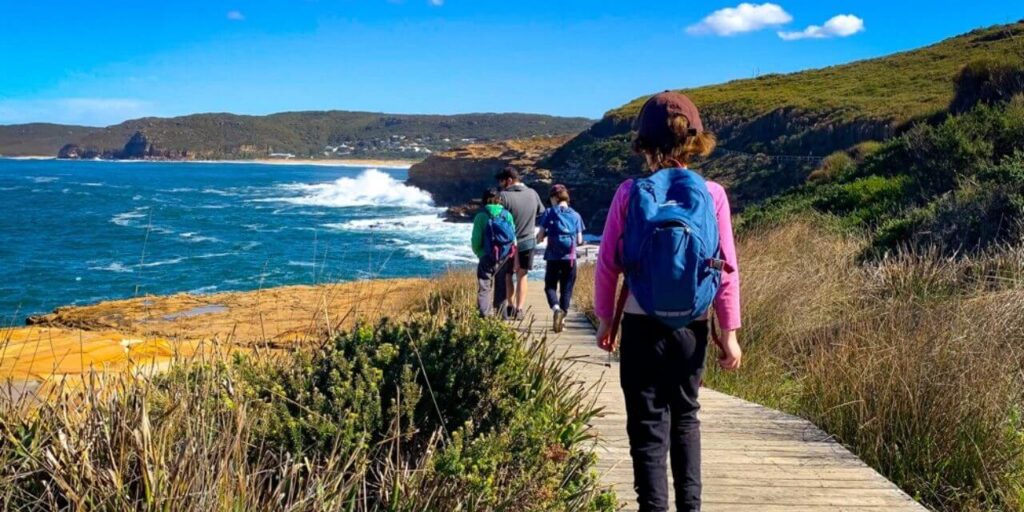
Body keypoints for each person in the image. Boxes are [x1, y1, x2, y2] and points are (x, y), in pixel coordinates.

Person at [593, 91, 743, 512]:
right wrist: (728, 333)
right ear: (694, 140)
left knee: (646, 425)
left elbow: (608, 263)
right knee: (686, 417)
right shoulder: (712, 193)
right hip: (692, 326)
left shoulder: (630, 191)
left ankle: (653, 508)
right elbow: (727, 267)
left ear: (645, 143)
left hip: (641, 325)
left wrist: (607, 321)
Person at [496, 167, 545, 320]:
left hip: (508, 244)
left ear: (509, 180)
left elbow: (498, 219)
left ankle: (510, 306)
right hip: (528, 241)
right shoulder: (533, 193)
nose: (501, 185)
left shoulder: (503, 196)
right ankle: (520, 309)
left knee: (508, 275)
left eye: (502, 182)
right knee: (522, 275)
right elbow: (541, 212)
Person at [536, 184, 585, 333]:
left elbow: (539, 236)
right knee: (567, 288)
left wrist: (542, 238)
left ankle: (556, 308)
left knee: (550, 286)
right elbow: (580, 240)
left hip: (552, 257)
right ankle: (562, 320)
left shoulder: (549, 212)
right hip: (569, 258)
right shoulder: (576, 215)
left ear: (555, 198)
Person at [471, 188, 517, 317]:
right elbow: (513, 236)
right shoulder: (507, 215)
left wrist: (479, 253)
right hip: (504, 256)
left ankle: (484, 315)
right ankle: (502, 317)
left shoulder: (481, 216)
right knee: (501, 286)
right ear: (499, 200)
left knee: (484, 286)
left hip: (486, 256)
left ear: (485, 200)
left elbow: (476, 240)